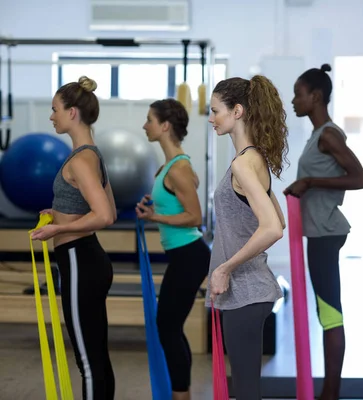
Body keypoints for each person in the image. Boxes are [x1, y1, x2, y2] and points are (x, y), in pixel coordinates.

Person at [30, 76, 117, 399]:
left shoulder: (80, 160)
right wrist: (58, 213)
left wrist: (59, 228)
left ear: (72, 113)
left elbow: (105, 217)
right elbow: (108, 211)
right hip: (87, 260)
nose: (51, 116)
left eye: (55, 110)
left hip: (80, 261)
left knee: (88, 362)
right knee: (96, 358)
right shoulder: (92, 155)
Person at [286, 64, 363, 400]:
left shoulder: (329, 135)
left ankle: (330, 393)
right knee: (327, 311)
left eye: (298, 94)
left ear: (315, 96)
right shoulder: (318, 135)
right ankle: (328, 391)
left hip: (326, 233)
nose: (294, 101)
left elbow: (360, 179)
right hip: (319, 232)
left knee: (330, 311)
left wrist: (309, 182)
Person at [206, 75, 288, 400]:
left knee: (245, 389)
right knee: (245, 387)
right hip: (250, 293)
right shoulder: (256, 159)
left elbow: (272, 228)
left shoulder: (243, 164)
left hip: (246, 292)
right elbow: (277, 218)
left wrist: (225, 268)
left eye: (215, 111)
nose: (211, 118)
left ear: (237, 111)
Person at [135, 98, 211, 400]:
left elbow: (195, 217)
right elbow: (176, 203)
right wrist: (151, 207)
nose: (144, 125)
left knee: (167, 327)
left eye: (149, 119)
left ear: (164, 126)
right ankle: (183, 393)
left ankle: (181, 394)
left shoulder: (178, 168)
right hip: (182, 256)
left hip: (190, 255)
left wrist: (155, 216)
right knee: (171, 327)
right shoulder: (170, 165)